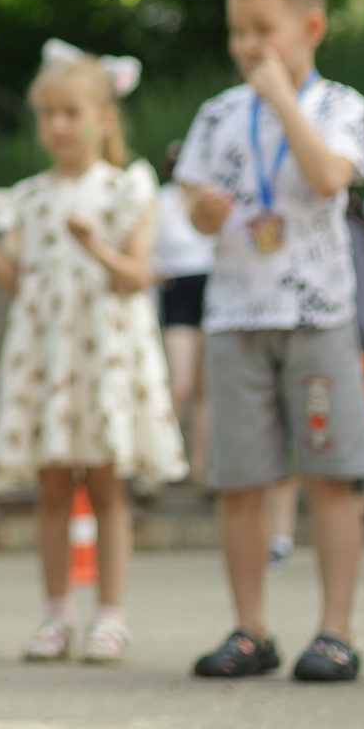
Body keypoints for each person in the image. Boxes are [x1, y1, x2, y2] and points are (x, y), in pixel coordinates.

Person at [176, 0, 364, 684]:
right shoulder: (218, 114)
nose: (248, 46)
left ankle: (335, 630)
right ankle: (250, 627)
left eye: (264, 29)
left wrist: (283, 99)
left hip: (316, 314)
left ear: (310, 27)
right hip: (235, 315)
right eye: (238, 32)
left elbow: (329, 177)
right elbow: (194, 206)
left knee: (331, 474)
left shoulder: (342, 106)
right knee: (239, 481)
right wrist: (200, 209)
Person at [0, 48, 183, 663]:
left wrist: (98, 248)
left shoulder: (126, 187)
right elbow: (19, 280)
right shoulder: (28, 197)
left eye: (70, 112)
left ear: (104, 118)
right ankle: (56, 615)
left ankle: (110, 617)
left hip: (104, 354)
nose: (58, 125)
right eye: (48, 114)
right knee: (53, 487)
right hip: (48, 353)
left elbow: (137, 275)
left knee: (106, 485)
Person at [149, 136, 214, 481]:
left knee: (207, 388)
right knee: (181, 383)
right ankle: (163, 456)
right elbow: (147, 244)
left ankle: (201, 464)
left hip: (212, 288)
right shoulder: (162, 201)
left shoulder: (209, 197)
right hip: (177, 290)